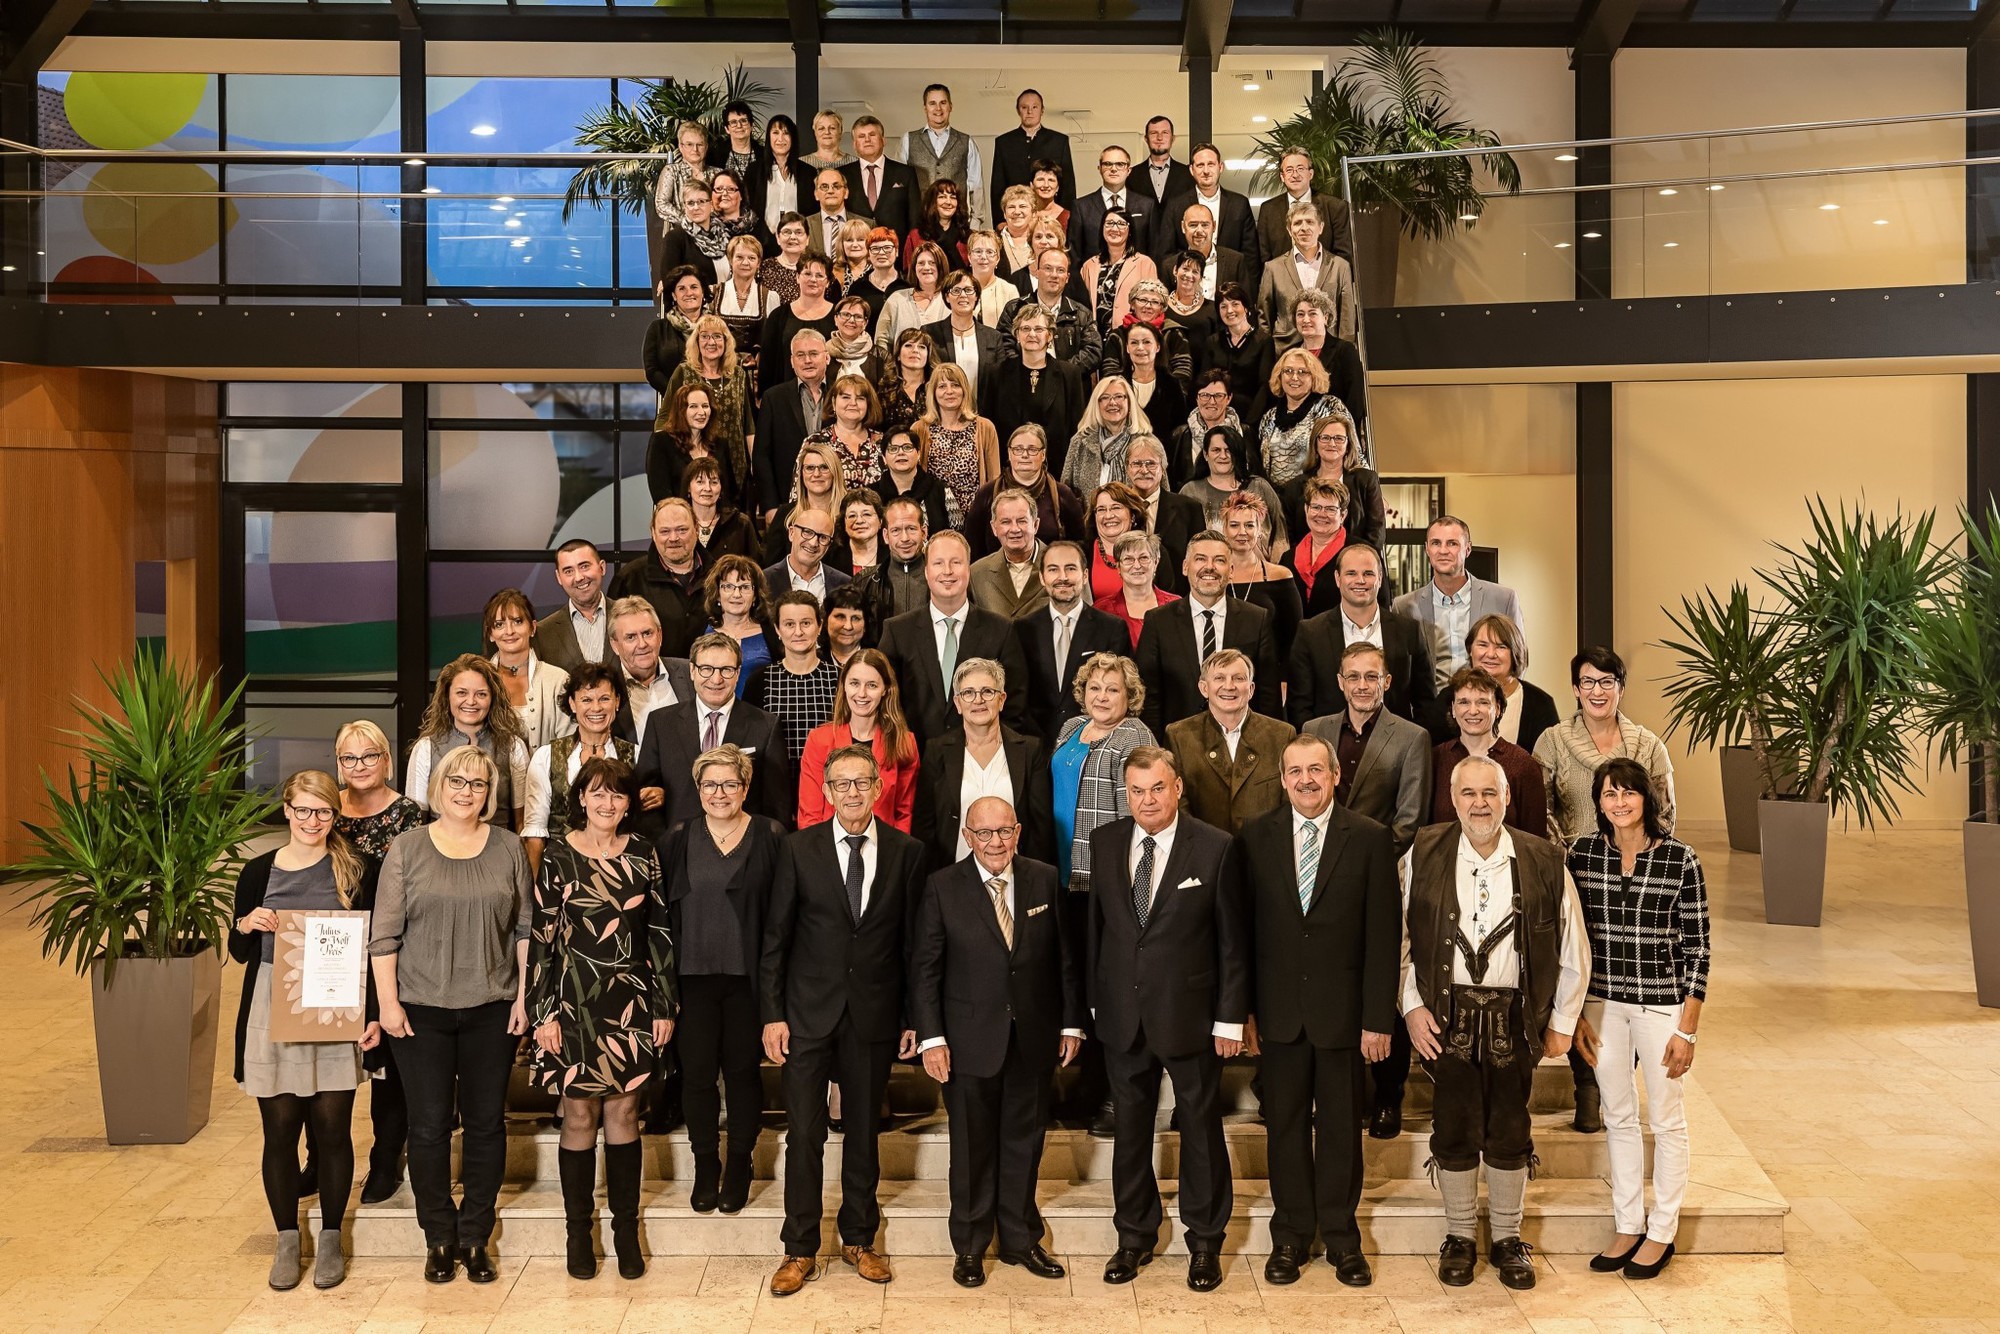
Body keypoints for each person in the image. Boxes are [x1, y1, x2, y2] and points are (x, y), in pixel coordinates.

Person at [1400, 752, 1589, 1292]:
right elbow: (1400, 941)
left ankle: (1507, 1238)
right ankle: (1460, 1235)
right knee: (1453, 1124)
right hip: (1445, 1018)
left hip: (1516, 1019)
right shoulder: (1422, 852)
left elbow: (1573, 945)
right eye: (1468, 793)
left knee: (1510, 1126)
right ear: (1452, 799)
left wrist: (1563, 1020)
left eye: (1490, 793)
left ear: (1507, 797)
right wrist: (1411, 1007)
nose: (1479, 804)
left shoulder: (1544, 858)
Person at [761, 743, 928, 1296]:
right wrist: (773, 1015)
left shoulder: (907, 852)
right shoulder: (797, 848)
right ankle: (799, 1248)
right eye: (842, 784)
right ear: (827, 792)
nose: (853, 792)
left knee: (862, 1133)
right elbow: (776, 939)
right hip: (807, 1014)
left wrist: (911, 1016)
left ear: (878, 788)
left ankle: (859, 1239)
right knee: (804, 1135)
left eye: (862, 782)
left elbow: (913, 946)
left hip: (873, 1015)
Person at [1236, 733, 1399, 1289]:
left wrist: (1377, 1019)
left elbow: (1383, 936)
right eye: (1295, 771)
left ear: (1334, 776)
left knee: (1340, 1132)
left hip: (1343, 1016)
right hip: (1278, 1014)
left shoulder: (1370, 838)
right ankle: (1289, 1236)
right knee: (1283, 1128)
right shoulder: (1255, 837)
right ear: (1282, 780)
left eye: (1316, 770)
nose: (1305, 780)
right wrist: (1244, 1012)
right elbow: (1243, 934)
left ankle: (1341, 1238)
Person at [370, 745, 532, 1286]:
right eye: (457, 781)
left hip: (492, 1007)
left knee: (486, 1124)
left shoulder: (509, 847)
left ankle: (475, 1237)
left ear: (490, 793)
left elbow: (524, 929)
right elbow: (384, 936)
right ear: (438, 786)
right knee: (429, 1125)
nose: (467, 791)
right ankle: (438, 1237)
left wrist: (523, 998)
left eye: (478, 784)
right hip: (420, 1010)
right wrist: (388, 1004)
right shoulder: (407, 848)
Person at [1087, 746, 1247, 1293]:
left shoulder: (1216, 846)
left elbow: (1232, 942)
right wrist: (1095, 1001)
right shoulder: (1106, 842)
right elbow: (1097, 929)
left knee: (1200, 1129)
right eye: (1137, 791)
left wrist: (1230, 1018)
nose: (1148, 800)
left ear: (1177, 788)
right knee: (1130, 1132)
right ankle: (1133, 1236)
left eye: (1157, 788)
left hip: (1191, 1015)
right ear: (1125, 794)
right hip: (1122, 1015)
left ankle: (1205, 1242)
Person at [912, 793, 1081, 1288]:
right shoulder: (942, 886)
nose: (995, 842)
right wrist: (932, 1038)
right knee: (970, 1149)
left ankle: (1019, 1240)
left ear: (1018, 832)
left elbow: (1064, 958)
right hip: (966, 1043)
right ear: (968, 837)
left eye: (1004, 831)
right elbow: (925, 970)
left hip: (1032, 1037)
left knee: (1024, 1144)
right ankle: (969, 1246)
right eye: (984, 833)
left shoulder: (1043, 878)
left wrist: (1071, 1023)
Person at [232, 770, 381, 1292]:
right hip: (273, 1004)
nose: (312, 821)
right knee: (279, 1132)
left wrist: (373, 1013)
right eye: (303, 810)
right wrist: (246, 925)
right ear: (287, 810)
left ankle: (333, 1237)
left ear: (334, 815)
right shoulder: (258, 871)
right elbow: (239, 951)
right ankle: (287, 1239)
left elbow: (375, 949)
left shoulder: (357, 869)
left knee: (332, 1130)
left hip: (334, 1008)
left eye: (322, 812)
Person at [528, 756, 673, 1282]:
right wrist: (542, 1012)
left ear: (629, 802)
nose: (607, 802)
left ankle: (625, 1231)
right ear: (581, 799)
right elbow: (542, 939)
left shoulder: (643, 853)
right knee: (579, 1117)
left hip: (631, 1000)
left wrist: (664, 1005)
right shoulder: (558, 854)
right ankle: (578, 1232)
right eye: (597, 792)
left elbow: (659, 932)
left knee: (625, 1113)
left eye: (617, 794)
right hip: (572, 1004)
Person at [1568, 757, 1710, 1282]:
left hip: (1660, 1005)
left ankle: (1662, 1231)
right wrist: (1575, 1012)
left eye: (1628, 792)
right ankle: (1628, 1224)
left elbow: (1699, 949)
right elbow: (1572, 940)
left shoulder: (1680, 859)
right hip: (1602, 1005)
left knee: (1666, 1119)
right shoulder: (1582, 855)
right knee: (1618, 1116)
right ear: (1598, 802)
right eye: (1609, 794)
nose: (1620, 802)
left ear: (1646, 798)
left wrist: (1686, 1028)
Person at [661, 743, 794, 1217]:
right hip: (692, 980)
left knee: (741, 1074)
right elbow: (662, 918)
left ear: (746, 786)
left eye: (730, 784)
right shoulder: (677, 838)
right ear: (698, 789)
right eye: (710, 784)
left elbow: (782, 918)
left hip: (747, 981)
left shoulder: (771, 835)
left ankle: (739, 1163)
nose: (719, 793)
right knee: (697, 1076)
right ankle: (705, 1164)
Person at [329, 724, 425, 1205]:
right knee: (328, 1057)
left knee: (388, 1060)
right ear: (337, 764)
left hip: (390, 946)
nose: (360, 766)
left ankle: (386, 1161)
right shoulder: (325, 809)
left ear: (387, 760)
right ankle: (320, 1160)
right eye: (349, 758)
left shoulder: (409, 814)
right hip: (332, 949)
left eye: (370, 756)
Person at [875, 530, 1030, 750]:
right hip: (914, 758)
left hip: (981, 758)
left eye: (956, 562)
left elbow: (1015, 706)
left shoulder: (1001, 630)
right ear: (926, 571)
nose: (947, 571)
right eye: (938, 563)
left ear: (969, 568)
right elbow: (885, 702)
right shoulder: (897, 631)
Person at [635, 630, 791, 838]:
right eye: (706, 669)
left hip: (744, 848)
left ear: (738, 673)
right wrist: (664, 845)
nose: (716, 679)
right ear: (692, 670)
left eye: (726, 670)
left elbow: (777, 805)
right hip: (677, 847)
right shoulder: (661, 722)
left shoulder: (765, 726)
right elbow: (645, 796)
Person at [911, 657, 1053, 867]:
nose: (978, 700)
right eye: (968, 693)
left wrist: (1032, 878)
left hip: (1016, 875)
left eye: (987, 691)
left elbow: (1041, 829)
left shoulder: (1029, 751)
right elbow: (924, 826)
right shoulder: (936, 751)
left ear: (1001, 699)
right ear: (958, 703)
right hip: (952, 874)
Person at [1135, 530, 1282, 733]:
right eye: (1200, 559)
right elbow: (1148, 694)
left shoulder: (1257, 619)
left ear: (1231, 570)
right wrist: (1156, 746)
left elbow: (1268, 695)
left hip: (1242, 741)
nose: (1209, 567)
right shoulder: (1158, 621)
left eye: (1219, 560)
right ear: (1185, 567)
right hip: (1175, 741)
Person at [1302, 642, 1433, 860]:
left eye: (1371, 677)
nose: (1362, 686)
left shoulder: (1413, 738)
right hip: (1317, 859)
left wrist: (1372, 860)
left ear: (1387, 682)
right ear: (1341, 682)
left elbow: (1410, 821)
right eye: (1353, 677)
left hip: (1377, 862)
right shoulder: (1314, 730)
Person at [1536, 646, 1679, 848]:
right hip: (1569, 861)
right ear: (1576, 689)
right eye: (1588, 682)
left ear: (1621, 689)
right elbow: (1541, 812)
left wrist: (1636, 856)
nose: (1597, 691)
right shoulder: (1551, 741)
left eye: (1607, 681)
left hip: (1635, 860)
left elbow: (1665, 818)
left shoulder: (1650, 746)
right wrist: (1567, 857)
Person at [1286, 543, 1439, 728]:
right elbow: (1299, 707)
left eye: (1368, 573)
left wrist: (1412, 741)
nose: (1360, 580)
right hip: (1329, 742)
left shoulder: (1408, 630)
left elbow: (1426, 702)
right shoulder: (1311, 633)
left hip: (1397, 742)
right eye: (1351, 573)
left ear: (1380, 578)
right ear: (1337, 578)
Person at [522, 662, 639, 870]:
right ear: (572, 704)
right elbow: (535, 834)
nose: (596, 708)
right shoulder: (546, 757)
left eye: (604, 698)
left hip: (620, 869)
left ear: (617, 701)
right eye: (586, 700)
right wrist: (535, 886)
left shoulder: (636, 755)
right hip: (561, 871)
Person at [1166, 648, 1296, 834]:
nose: (1229, 686)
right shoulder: (1179, 736)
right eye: (1219, 678)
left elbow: (1288, 803)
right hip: (1204, 846)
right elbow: (1179, 802)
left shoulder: (1282, 735)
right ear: (1204, 688)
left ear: (1251, 689)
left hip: (1266, 846)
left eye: (1238, 678)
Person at [1394, 516, 1526, 687]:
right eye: (1436, 543)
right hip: (1430, 702)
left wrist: (1498, 699)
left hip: (1488, 699)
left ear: (1468, 549)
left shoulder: (1504, 599)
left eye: (1452, 543)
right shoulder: (1404, 607)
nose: (1443, 550)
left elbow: (1519, 660)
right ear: (1427, 549)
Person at [798, 649, 920, 831]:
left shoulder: (904, 742)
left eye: (872, 685)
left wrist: (893, 848)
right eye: (854, 683)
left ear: (885, 689)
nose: (862, 693)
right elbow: (809, 815)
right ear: (844, 686)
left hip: (884, 844)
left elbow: (904, 813)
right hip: (829, 844)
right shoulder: (819, 740)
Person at [406, 655, 532, 831]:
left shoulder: (513, 747)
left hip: (498, 844)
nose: (471, 701)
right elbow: (416, 823)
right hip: (440, 844)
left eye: (481, 694)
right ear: (447, 696)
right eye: (461, 693)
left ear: (493, 698)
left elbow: (523, 821)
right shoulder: (426, 748)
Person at [1430, 666, 1550, 838]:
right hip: (1446, 855)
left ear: (1498, 708)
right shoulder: (1435, 760)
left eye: (1483, 702)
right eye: (1464, 702)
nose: (1473, 711)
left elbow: (1535, 840)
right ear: (1453, 709)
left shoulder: (1523, 765)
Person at [663, 316, 755, 509]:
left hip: (734, 463)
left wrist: (754, 463)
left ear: (726, 341)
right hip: (692, 458)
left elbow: (748, 424)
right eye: (704, 336)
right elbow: (665, 417)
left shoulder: (738, 375)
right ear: (696, 342)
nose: (711, 342)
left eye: (717, 336)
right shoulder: (683, 372)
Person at [747, 590, 844, 762]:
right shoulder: (759, 681)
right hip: (776, 776)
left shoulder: (841, 678)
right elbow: (752, 742)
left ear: (819, 626)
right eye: (789, 624)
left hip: (829, 776)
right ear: (777, 629)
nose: (798, 632)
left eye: (806, 623)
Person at [965, 422, 1085, 558]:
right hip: (996, 570)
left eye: (1032, 449)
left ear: (1043, 454)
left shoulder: (1062, 494)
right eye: (1018, 449)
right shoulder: (987, 494)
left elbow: (1079, 544)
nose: (1025, 455)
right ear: (1009, 453)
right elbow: (972, 545)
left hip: (1049, 570)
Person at [1279, 406, 1384, 557]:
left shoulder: (1366, 480)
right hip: (1308, 564)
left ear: (1348, 445)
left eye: (1339, 438)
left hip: (1356, 563)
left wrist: (1361, 561)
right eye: (1325, 438)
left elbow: (1376, 530)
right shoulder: (1294, 487)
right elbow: (1290, 535)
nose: (1332, 444)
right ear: (1315, 443)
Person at [990, 306, 1086, 470]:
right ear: (1017, 335)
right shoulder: (996, 374)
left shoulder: (1069, 374)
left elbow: (1076, 428)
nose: (1032, 334)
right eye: (1025, 329)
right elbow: (990, 428)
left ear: (1050, 335)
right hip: (1008, 468)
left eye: (1039, 329)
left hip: (1056, 469)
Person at [612, 497, 708, 659]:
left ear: (696, 530)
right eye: (665, 531)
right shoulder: (629, 578)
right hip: (653, 674)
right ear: (653, 533)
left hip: (711, 673)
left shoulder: (720, 575)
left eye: (682, 530)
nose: (673, 538)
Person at [1450, 614, 1558, 753]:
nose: (1490, 654)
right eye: (1483, 645)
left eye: (1501, 647)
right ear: (1470, 650)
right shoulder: (1449, 696)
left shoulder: (1540, 703)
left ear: (1515, 653)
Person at [752, 329, 830, 523]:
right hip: (786, 503)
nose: (807, 360)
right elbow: (761, 455)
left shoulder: (841, 394)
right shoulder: (773, 398)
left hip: (832, 500)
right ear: (792, 361)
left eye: (813, 354)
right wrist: (770, 506)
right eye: (800, 355)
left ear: (827, 357)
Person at [483, 588, 574, 752]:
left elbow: (566, 745)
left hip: (548, 769)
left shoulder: (558, 680)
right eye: (499, 624)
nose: (509, 631)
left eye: (517, 621)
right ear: (490, 633)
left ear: (532, 628)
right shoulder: (479, 680)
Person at [1218, 489, 1305, 660]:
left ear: (1259, 530)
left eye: (1249, 525)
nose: (1242, 532)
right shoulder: (1214, 576)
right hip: (1222, 668)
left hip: (1270, 667)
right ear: (1224, 529)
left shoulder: (1280, 575)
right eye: (1234, 525)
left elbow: (1294, 635)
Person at [914, 360, 1000, 529]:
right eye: (942, 386)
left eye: (955, 385)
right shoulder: (919, 429)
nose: (949, 391)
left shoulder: (985, 427)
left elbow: (994, 479)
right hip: (934, 517)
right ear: (933, 393)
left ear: (964, 390)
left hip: (975, 518)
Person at [1259, 202, 1356, 349]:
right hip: (1285, 351)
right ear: (1289, 230)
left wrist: (1344, 352)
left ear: (1321, 227)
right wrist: (1266, 354)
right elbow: (1264, 318)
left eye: (1310, 222)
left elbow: (1347, 319)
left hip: (1329, 352)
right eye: (1297, 223)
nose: (1304, 228)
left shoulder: (1340, 267)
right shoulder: (1273, 268)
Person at [1160, 143, 1260, 282]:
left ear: (1220, 167)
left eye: (1211, 164)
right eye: (1200, 165)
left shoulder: (1239, 204)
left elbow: (1250, 256)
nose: (1206, 171)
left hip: (1229, 286)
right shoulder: (1175, 205)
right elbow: (1167, 252)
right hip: (1187, 284)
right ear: (1191, 170)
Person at [998, 245, 1102, 375]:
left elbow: (1093, 352)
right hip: (1023, 382)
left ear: (1067, 277)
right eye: (1048, 268)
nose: (1054, 275)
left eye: (1060, 270)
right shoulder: (1015, 309)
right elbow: (1004, 347)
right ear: (1037, 272)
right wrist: (1031, 371)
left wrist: (1058, 373)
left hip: (1068, 384)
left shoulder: (1082, 314)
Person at [1183, 423, 1287, 549]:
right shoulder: (1190, 491)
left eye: (1229, 450)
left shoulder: (1260, 487)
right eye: (1216, 450)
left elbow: (1280, 538)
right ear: (1206, 455)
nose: (1223, 456)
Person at [607, 596, 693, 746]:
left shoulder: (690, 672)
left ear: (660, 635)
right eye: (631, 637)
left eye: (647, 633)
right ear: (615, 645)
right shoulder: (607, 687)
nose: (642, 644)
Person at [1123, 435, 1204, 593]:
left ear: (1163, 467)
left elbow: (1199, 558)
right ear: (1127, 468)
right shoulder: (1115, 509)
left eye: (1151, 464)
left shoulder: (1189, 508)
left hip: (1176, 596)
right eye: (1137, 463)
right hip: (1127, 595)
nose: (1144, 470)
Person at [1255, 146, 1355, 271]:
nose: (1295, 175)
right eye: (1289, 170)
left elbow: (1344, 256)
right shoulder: (1268, 209)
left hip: (1325, 280)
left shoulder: (1335, 207)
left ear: (1311, 174)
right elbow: (1263, 257)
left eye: (1300, 169)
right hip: (1282, 281)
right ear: (1282, 176)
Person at [1257, 347, 1342, 490]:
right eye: (1288, 371)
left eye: (1302, 372)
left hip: (1316, 493)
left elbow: (1353, 452)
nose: (1294, 377)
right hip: (1276, 496)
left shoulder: (1329, 407)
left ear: (1314, 376)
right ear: (1280, 376)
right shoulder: (1269, 416)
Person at [902, 83, 984, 225]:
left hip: (958, 224)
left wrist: (975, 223)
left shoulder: (967, 142)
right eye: (932, 103)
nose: (938, 108)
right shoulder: (908, 140)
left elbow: (976, 186)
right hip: (920, 223)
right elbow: (901, 185)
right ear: (925, 108)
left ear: (950, 106)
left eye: (943, 103)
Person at [1291, 289, 1369, 437]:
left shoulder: (1345, 350)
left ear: (1326, 318)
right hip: (1297, 432)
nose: (1305, 320)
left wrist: (1344, 434)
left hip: (1334, 434)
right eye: (1300, 314)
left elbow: (1355, 399)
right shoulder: (1290, 354)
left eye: (1312, 314)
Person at [924, 270, 1004, 415]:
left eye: (968, 290)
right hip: (941, 416)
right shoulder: (930, 333)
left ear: (976, 296)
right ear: (947, 297)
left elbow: (1000, 383)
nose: (963, 295)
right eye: (956, 290)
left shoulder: (993, 337)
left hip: (982, 416)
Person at [649, 380, 739, 508]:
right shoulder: (662, 442)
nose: (701, 412)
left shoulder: (720, 444)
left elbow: (730, 491)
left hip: (716, 518)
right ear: (681, 411)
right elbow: (660, 494)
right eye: (693, 406)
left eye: (705, 406)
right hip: (677, 517)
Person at [991, 88, 1076, 221]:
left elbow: (1068, 184)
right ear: (1018, 110)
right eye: (1024, 107)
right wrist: (999, 221)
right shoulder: (1004, 142)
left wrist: (1067, 219)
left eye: (1035, 107)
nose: (1029, 111)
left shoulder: (1058, 141)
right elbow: (997, 186)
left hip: (1051, 218)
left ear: (1042, 110)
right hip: (1015, 216)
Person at [760, 254, 839, 397]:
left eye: (819, 275)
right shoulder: (778, 316)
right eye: (807, 274)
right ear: (797, 277)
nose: (813, 279)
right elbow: (767, 361)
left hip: (830, 397)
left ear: (828, 282)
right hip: (785, 397)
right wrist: (763, 396)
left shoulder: (839, 316)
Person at [535, 539, 617, 674]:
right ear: (559, 577)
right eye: (568, 571)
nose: (578, 577)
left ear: (602, 567)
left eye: (584, 566)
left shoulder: (629, 617)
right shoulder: (543, 632)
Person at [1062, 376, 1149, 500]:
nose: (1112, 402)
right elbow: (1065, 494)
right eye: (1105, 397)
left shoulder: (1147, 442)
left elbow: (1161, 493)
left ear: (1129, 402)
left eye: (1119, 396)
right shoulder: (1080, 441)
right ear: (1096, 404)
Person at [968, 486, 1047, 619]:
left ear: (1035, 525)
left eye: (1022, 521)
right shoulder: (976, 574)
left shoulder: (1062, 566)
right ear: (994, 528)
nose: (1014, 529)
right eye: (1006, 522)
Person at [800, 371, 885, 494]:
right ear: (833, 402)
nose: (853, 403)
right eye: (846, 397)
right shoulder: (815, 442)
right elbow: (799, 492)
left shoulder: (882, 442)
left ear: (868, 404)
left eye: (860, 398)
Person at [703, 555, 776, 696]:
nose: (736, 594)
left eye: (745, 587)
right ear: (717, 594)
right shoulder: (701, 631)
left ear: (755, 595)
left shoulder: (771, 633)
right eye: (728, 587)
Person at [1281, 477, 1352, 621]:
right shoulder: (1288, 559)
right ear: (1306, 509)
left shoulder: (1359, 553)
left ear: (1343, 515)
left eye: (1330, 509)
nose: (1322, 514)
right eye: (1316, 507)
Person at [1068, 143, 1153, 264]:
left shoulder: (1147, 205)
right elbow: (1074, 253)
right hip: (1093, 273)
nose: (1113, 169)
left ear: (1128, 170)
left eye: (1120, 164)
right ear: (1099, 168)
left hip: (1137, 273)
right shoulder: (1081, 207)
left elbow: (1153, 249)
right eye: (1107, 164)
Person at [1079, 208, 1158, 338]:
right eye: (1109, 223)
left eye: (1121, 224)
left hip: (1130, 337)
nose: (1114, 228)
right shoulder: (1089, 265)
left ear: (1130, 230)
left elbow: (1152, 306)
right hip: (1095, 339)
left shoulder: (1144, 264)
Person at [651, 125, 714, 286]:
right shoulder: (671, 171)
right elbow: (661, 204)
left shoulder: (716, 173)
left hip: (713, 240)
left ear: (706, 146)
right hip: (680, 242)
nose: (695, 149)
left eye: (699, 144)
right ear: (681, 146)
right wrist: (690, 221)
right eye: (689, 144)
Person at [1096, 530, 1178, 651]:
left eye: (1144, 558)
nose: (1137, 566)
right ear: (1118, 567)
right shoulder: (1101, 610)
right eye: (1128, 559)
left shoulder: (1176, 606)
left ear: (1156, 562)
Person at [1109, 321, 1188, 444]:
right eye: (1134, 342)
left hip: (1162, 452)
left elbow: (1180, 427)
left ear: (1158, 347)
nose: (1140, 348)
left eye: (1146, 342)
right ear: (1127, 348)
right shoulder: (1116, 384)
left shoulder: (1171, 384)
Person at [715, 236, 781, 380]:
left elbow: (773, 342)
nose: (745, 263)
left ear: (758, 263)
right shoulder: (714, 293)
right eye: (739, 257)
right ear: (730, 260)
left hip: (757, 375)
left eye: (751, 258)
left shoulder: (770, 297)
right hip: (719, 371)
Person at [842, 114, 920, 235]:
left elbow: (915, 217)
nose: (867, 140)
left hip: (897, 244)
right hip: (856, 243)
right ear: (854, 145)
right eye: (861, 136)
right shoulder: (842, 174)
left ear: (883, 140)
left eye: (872, 134)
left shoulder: (906, 173)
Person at [1210, 283, 1274, 426]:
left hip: (1250, 417)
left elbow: (1265, 388)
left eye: (1235, 304)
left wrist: (1248, 424)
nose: (1229, 310)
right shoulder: (1212, 342)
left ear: (1246, 308)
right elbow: (1204, 383)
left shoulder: (1264, 341)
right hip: (1216, 415)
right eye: (1223, 306)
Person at [764, 502, 852, 605]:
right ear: (791, 533)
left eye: (823, 538)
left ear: (829, 545)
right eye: (807, 532)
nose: (813, 543)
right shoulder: (764, 580)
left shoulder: (844, 584)